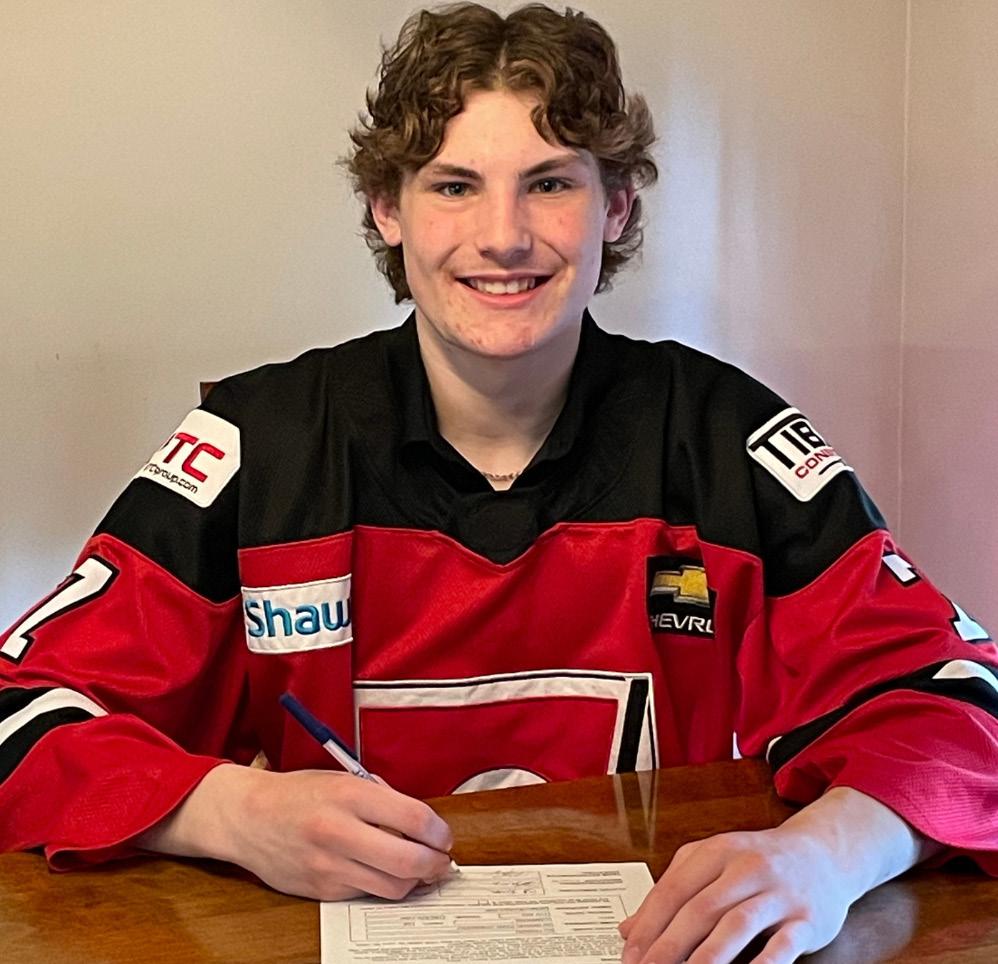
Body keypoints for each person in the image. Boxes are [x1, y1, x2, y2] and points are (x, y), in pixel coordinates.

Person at [2, 3, 996, 962]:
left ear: (615, 206)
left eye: (550, 183)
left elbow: (960, 703)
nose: (504, 236)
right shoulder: (261, 441)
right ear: (386, 210)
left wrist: (825, 855)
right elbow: (23, 710)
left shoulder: (722, 434)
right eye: (452, 186)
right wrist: (231, 812)